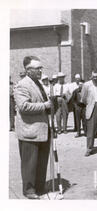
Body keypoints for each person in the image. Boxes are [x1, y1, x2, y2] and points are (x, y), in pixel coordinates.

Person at [14, 56, 51, 199]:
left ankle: (39, 187)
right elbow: (23, 107)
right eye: (37, 68)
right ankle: (29, 190)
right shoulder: (22, 85)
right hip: (29, 131)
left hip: (42, 130)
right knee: (30, 163)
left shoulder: (38, 83)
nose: (40, 71)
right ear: (28, 70)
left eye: (41, 68)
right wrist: (45, 106)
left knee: (41, 162)